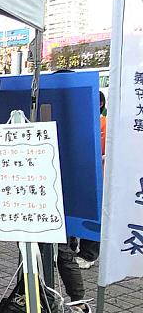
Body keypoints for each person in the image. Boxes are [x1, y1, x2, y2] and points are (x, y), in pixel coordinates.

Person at [75, 91, 106, 269]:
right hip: (78, 175)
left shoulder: (103, 124)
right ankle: (73, 250)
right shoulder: (80, 122)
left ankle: (88, 254)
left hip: (96, 177)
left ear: (100, 104)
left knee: (91, 217)